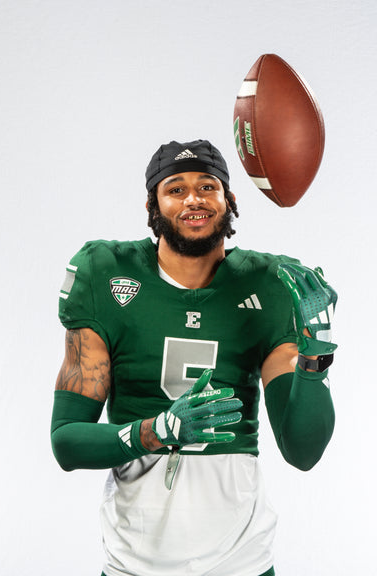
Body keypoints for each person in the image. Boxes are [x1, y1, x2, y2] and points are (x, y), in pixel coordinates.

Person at [51, 139, 337, 576]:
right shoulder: (106, 274)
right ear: (152, 205)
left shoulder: (269, 283)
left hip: (242, 561)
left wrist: (315, 360)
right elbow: (66, 442)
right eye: (176, 189)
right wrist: (156, 431)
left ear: (229, 200)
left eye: (207, 186)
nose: (193, 199)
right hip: (135, 562)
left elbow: (303, 451)